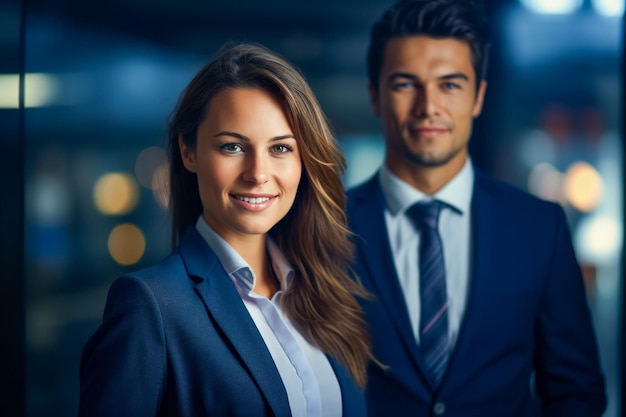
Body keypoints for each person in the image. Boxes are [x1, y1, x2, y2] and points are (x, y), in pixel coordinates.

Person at [79, 42, 374, 417]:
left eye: (280, 149)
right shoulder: (149, 306)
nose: (258, 173)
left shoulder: (325, 291)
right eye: (233, 147)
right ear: (189, 151)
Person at [346, 0, 607, 415]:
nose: (428, 106)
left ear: (478, 97)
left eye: (450, 84)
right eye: (405, 84)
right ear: (375, 96)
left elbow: (575, 389)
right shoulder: (323, 226)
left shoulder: (540, 228)